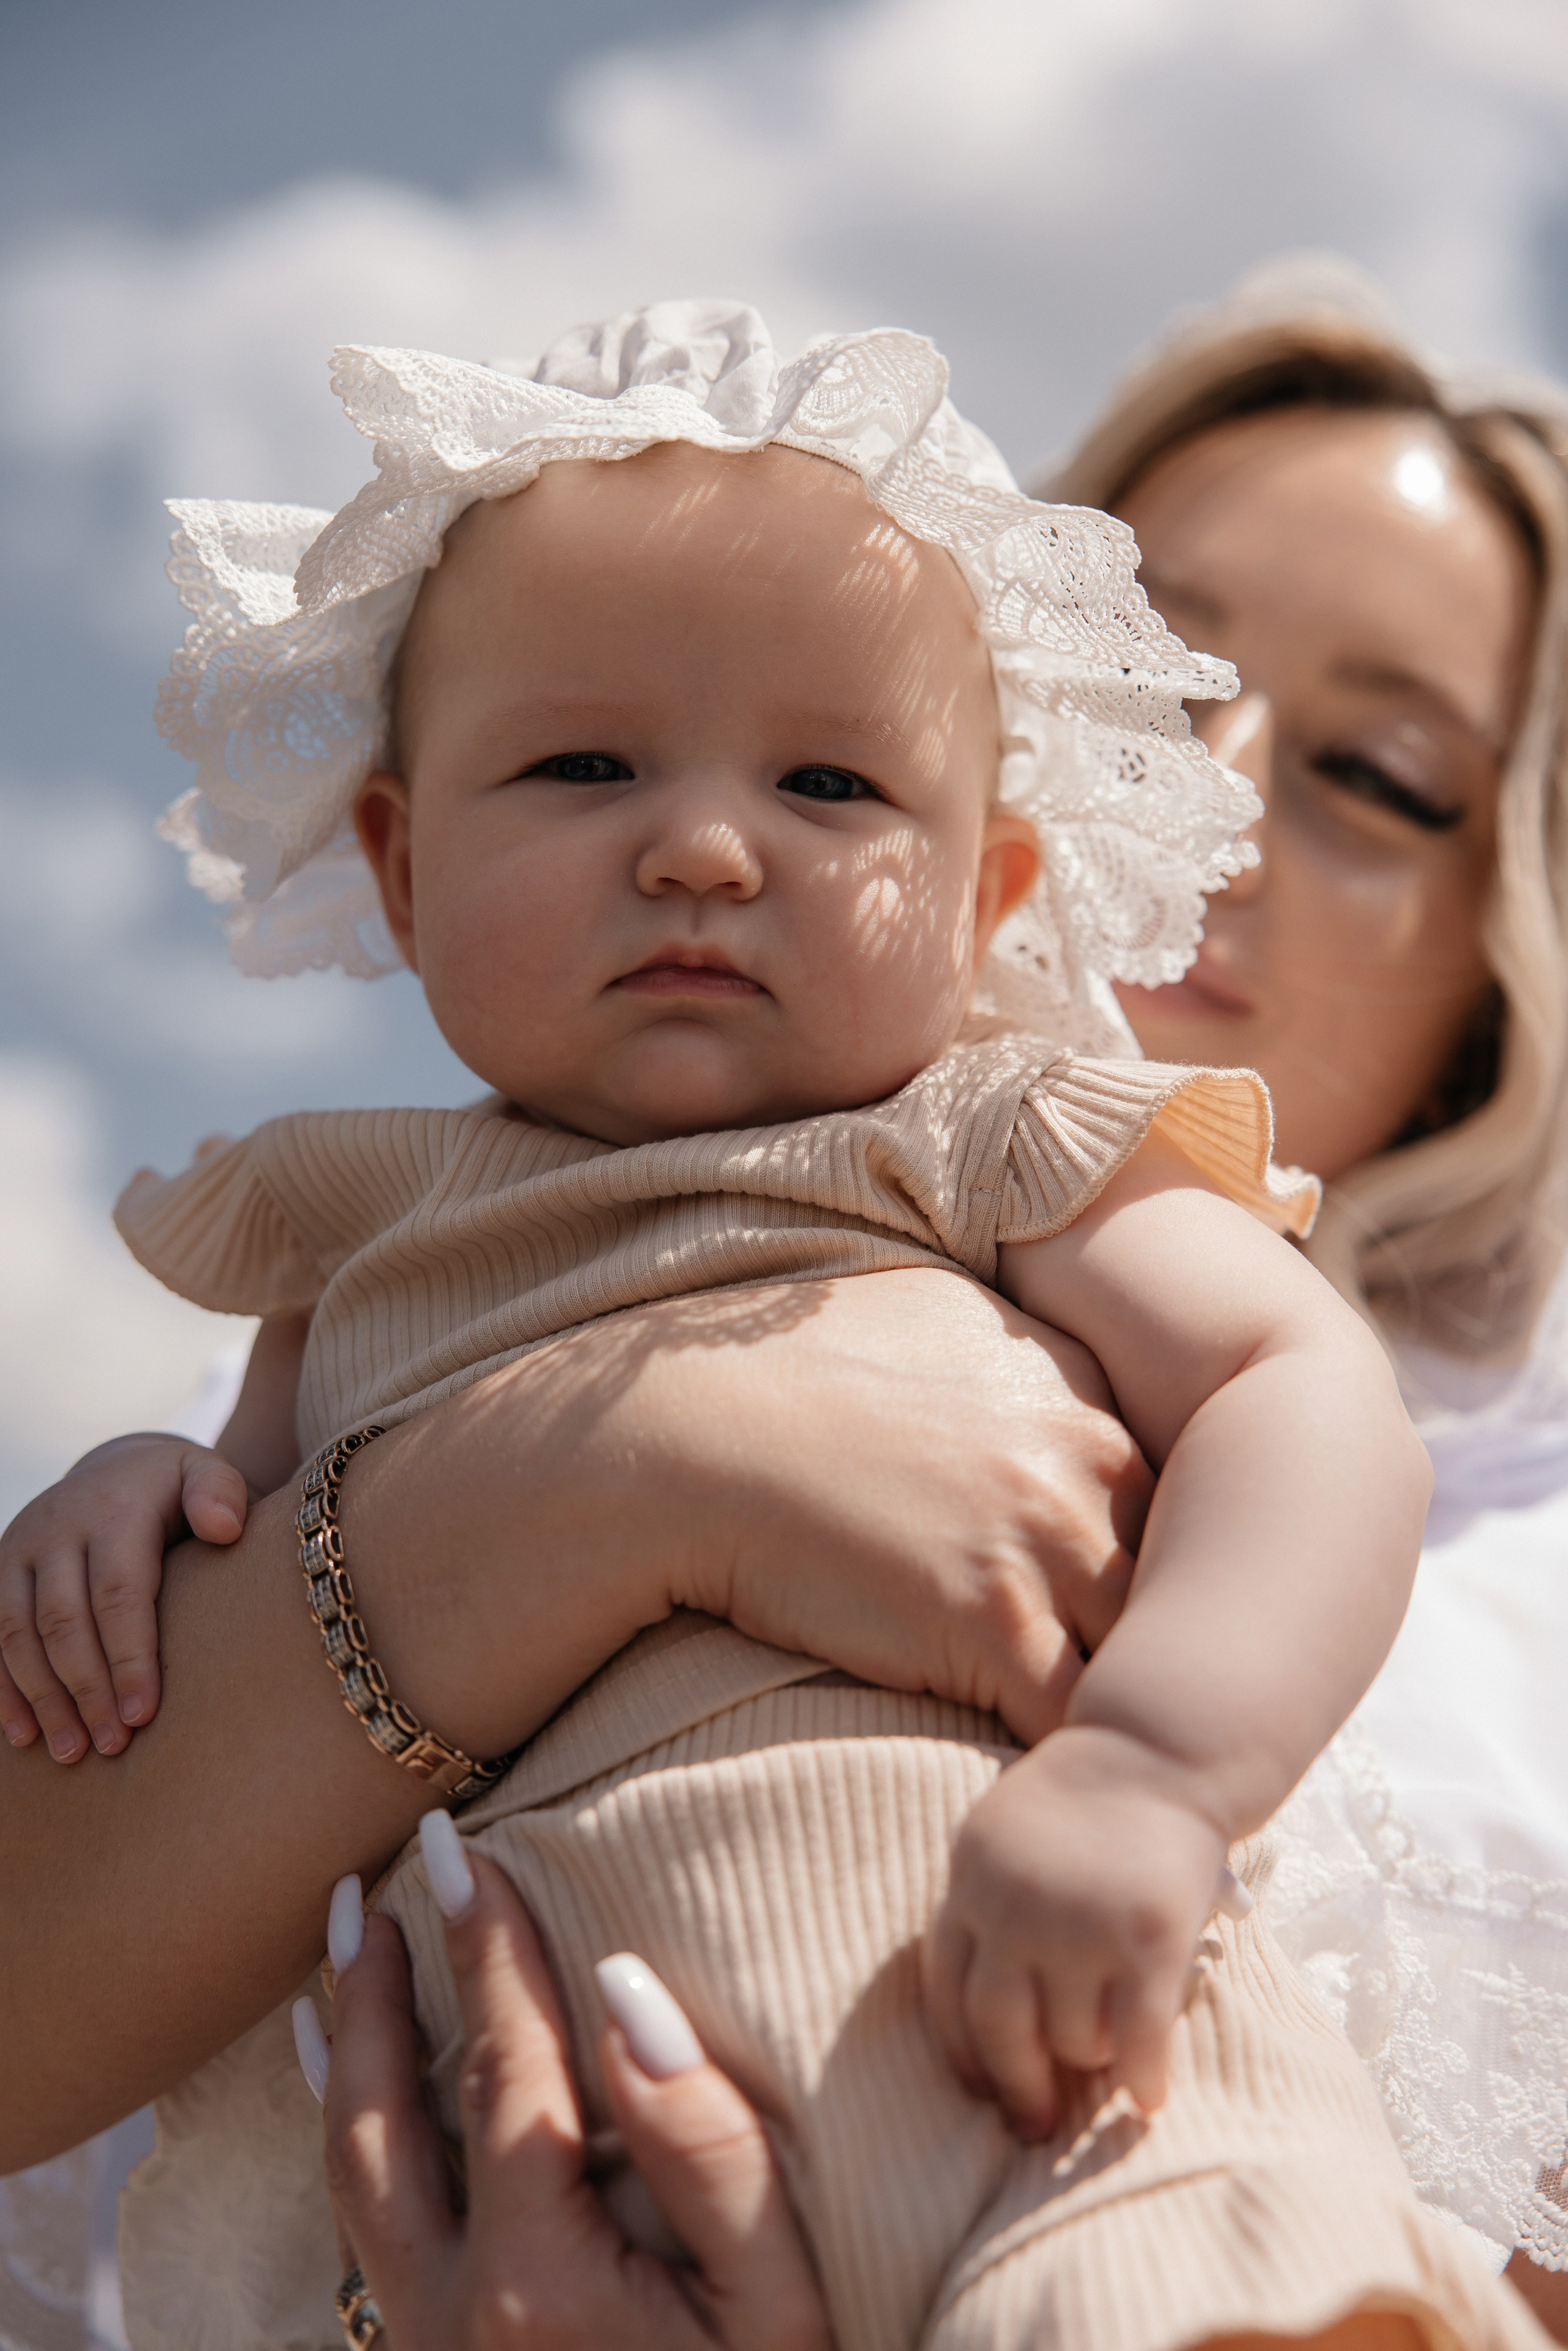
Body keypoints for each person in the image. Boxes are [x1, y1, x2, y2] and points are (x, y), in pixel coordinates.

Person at [0, 300, 1506, 2351]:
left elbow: (1297, 1384)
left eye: (826, 779)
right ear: (401, 860)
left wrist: (1155, 1766)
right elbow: (205, 1610)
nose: (704, 845)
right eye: (585, 760)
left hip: (1040, 2099)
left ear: (994, 888)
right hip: (515, 2188)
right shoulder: (345, 1231)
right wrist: (131, 1514)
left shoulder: (983, 1136)